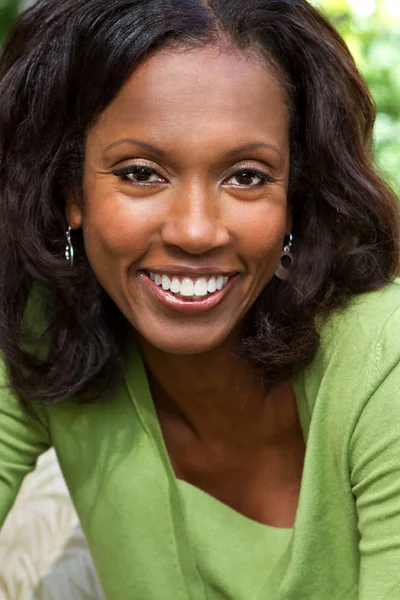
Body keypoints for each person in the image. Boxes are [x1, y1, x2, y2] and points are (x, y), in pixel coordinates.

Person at [0, 0, 400, 598]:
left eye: (246, 175)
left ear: (296, 194)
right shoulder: (46, 335)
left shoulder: (382, 362)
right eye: (141, 173)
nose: (195, 231)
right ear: (69, 191)